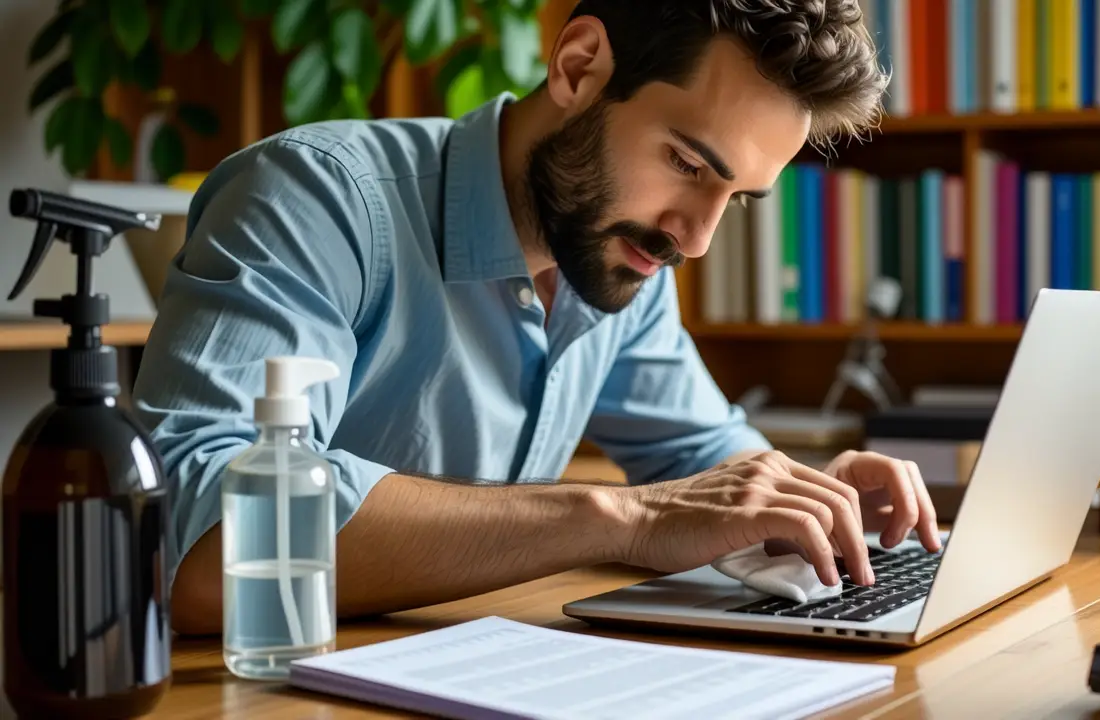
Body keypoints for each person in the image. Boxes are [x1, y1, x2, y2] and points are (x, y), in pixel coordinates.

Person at [133, 0, 942, 636]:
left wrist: (799, 496)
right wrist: (617, 517)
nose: (696, 236)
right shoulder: (314, 198)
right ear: (579, 65)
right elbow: (198, 539)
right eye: (689, 164)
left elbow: (699, 462)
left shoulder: (625, 253)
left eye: (736, 197)